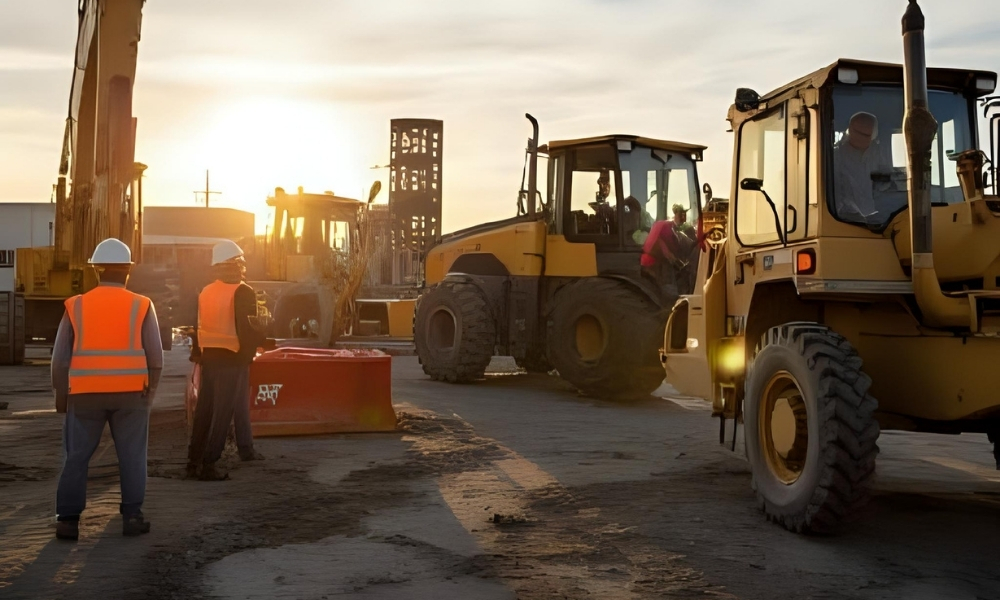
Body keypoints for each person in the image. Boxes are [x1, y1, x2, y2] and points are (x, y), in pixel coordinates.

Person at [51, 238, 162, 540]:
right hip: (130, 396)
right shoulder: (142, 305)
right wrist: (148, 396)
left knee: (76, 456)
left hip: (84, 395)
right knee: (132, 456)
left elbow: (60, 362)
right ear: (128, 271)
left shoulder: (76, 306)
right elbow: (156, 359)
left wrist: (63, 399)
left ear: (96, 270)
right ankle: (132, 516)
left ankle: (68, 521)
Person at [186, 240, 267, 481]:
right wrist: (252, 351)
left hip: (210, 358)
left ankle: (194, 460)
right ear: (236, 264)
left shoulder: (206, 291)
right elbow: (247, 329)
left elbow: (197, 326)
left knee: (205, 411)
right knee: (223, 414)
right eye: (240, 263)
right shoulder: (243, 291)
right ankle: (210, 464)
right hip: (232, 359)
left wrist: (199, 354)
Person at [834, 111, 895, 219]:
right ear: (850, 130)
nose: (863, 138)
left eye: (868, 135)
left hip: (875, 218)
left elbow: (887, 182)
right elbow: (836, 193)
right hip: (844, 220)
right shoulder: (836, 157)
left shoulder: (878, 154)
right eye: (858, 133)